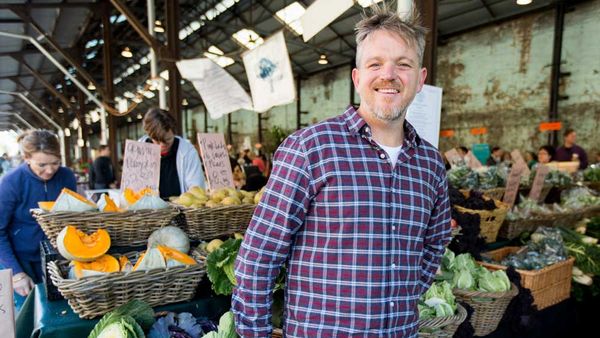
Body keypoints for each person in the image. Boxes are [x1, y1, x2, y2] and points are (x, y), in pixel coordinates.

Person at [232, 5, 451, 337]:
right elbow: (259, 257)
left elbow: (434, 244)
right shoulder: (310, 148)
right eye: (375, 63)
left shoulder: (431, 165)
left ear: (420, 79)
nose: (388, 75)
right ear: (357, 77)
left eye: (403, 64)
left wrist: (401, 295)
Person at [0, 130, 76, 300]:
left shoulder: (67, 176)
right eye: (41, 165)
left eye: (55, 163)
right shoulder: (11, 182)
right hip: (21, 261)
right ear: (26, 158)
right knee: (28, 316)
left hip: (59, 259)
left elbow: (73, 218)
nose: (49, 170)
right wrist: (16, 273)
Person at [139, 108, 205, 199]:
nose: (162, 146)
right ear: (149, 136)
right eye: (157, 141)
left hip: (181, 210)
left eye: (167, 140)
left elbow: (197, 188)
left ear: (174, 132)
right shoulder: (139, 150)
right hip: (147, 211)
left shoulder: (188, 151)